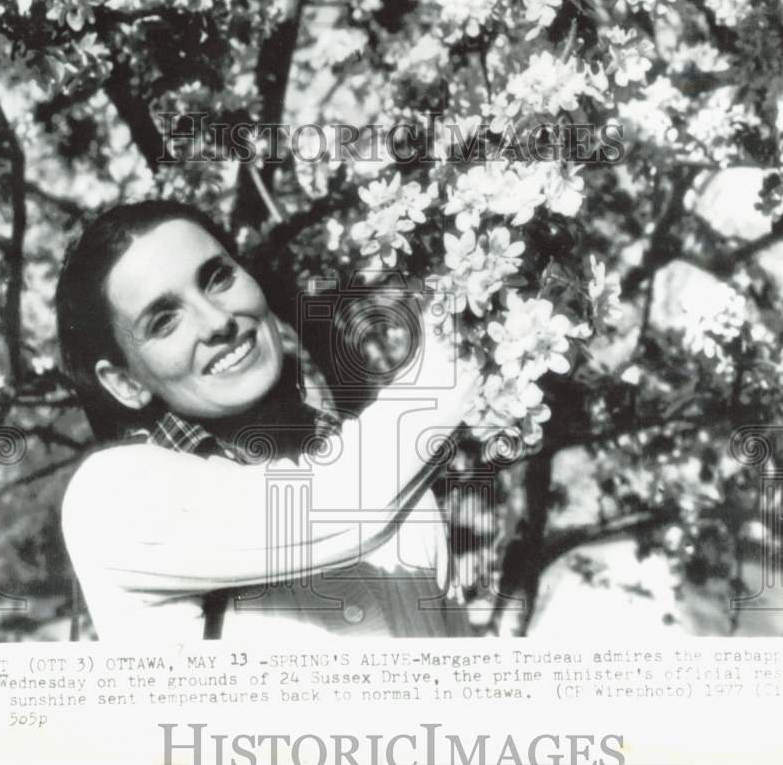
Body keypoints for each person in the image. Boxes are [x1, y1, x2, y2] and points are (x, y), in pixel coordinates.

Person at [56, 200, 480, 642]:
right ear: (125, 383)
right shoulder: (114, 497)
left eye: (218, 278)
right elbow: (343, 507)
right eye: (164, 320)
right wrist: (479, 308)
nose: (218, 321)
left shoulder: (396, 484)